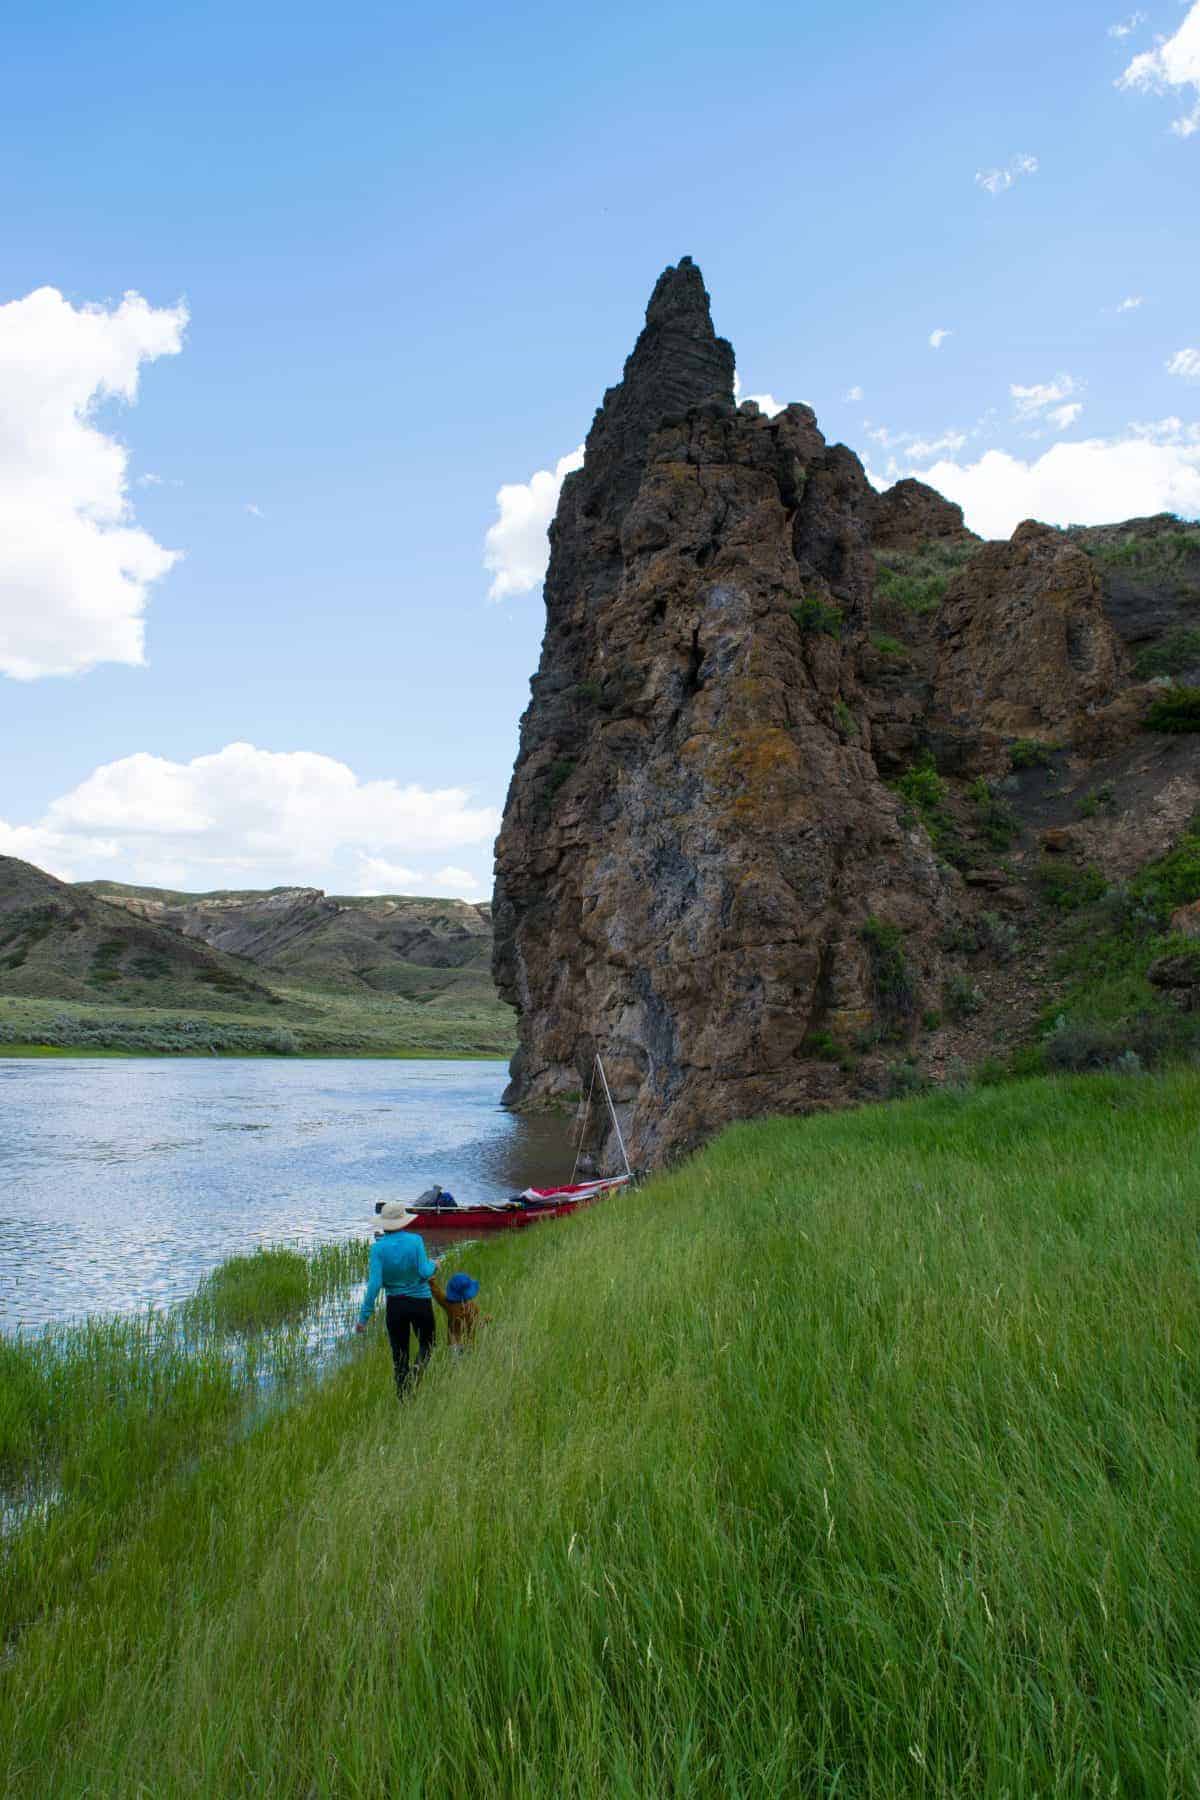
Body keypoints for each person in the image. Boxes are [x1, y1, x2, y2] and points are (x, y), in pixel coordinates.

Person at [355, 1202, 438, 1394]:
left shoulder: (378, 1249)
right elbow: (424, 1271)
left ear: (384, 1224)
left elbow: (374, 1285)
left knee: (399, 1356)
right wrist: (435, 1264)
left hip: (396, 1306)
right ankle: (418, 1369)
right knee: (428, 1344)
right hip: (420, 1302)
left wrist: (363, 1319)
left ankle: (404, 1398)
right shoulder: (415, 1241)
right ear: (403, 1221)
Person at [430, 1269, 490, 1352]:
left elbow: (437, 1294)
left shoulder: (449, 1305)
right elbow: (476, 1324)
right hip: (469, 1344)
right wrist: (485, 1320)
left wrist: (431, 1282)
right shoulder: (474, 1307)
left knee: (454, 1364)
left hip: (453, 1344)